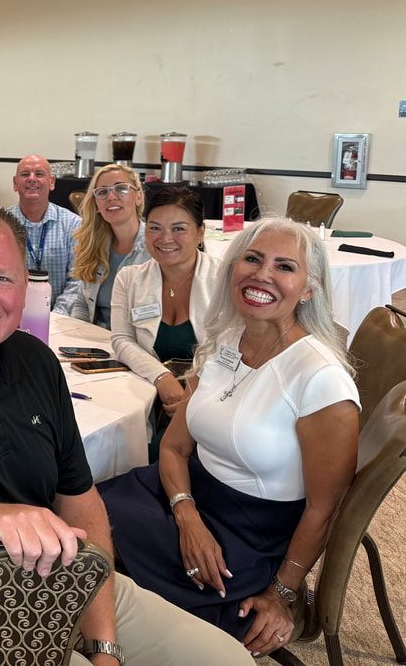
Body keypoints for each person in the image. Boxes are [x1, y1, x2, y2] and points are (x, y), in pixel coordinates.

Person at [0, 200, 255, 666]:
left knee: (228, 660)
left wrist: (104, 647)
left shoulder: (35, 362)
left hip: (62, 578)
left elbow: (79, 498)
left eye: (2, 277)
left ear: (24, 288)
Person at [99, 219, 359, 657]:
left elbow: (325, 508)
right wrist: (187, 516)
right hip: (183, 497)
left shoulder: (321, 380)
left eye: (284, 267)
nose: (262, 275)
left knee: (105, 575)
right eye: (252, 259)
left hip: (247, 537)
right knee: (78, 524)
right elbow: (174, 446)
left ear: (309, 289)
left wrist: (283, 593)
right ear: (232, 267)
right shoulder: (225, 340)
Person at [109, 186, 220, 461]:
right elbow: (122, 340)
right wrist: (162, 378)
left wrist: (191, 393)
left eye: (179, 229)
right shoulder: (130, 279)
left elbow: (230, 348)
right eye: (155, 228)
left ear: (201, 232)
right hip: (149, 391)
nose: (165, 239)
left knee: (164, 454)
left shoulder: (223, 280)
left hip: (211, 396)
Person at [69, 164, 150, 328]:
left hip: (139, 343)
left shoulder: (155, 248)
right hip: (95, 343)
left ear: (138, 197)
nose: (111, 197)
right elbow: (81, 304)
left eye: (121, 189)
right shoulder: (92, 244)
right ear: (97, 204)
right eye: (102, 192)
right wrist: (77, 341)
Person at [5, 154, 82, 313]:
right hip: (12, 316)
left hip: (61, 318)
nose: (32, 179)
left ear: (52, 182)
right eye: (25, 174)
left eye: (39, 174)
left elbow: (78, 281)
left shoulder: (73, 224)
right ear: (15, 183)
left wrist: (54, 318)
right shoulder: (2, 225)